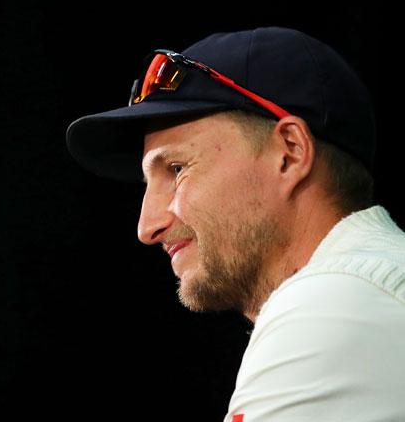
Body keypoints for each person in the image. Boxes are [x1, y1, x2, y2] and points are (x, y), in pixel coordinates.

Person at [65, 27, 405, 421]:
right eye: (147, 184)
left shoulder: (337, 301)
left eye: (177, 169)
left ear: (290, 154)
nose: (147, 227)